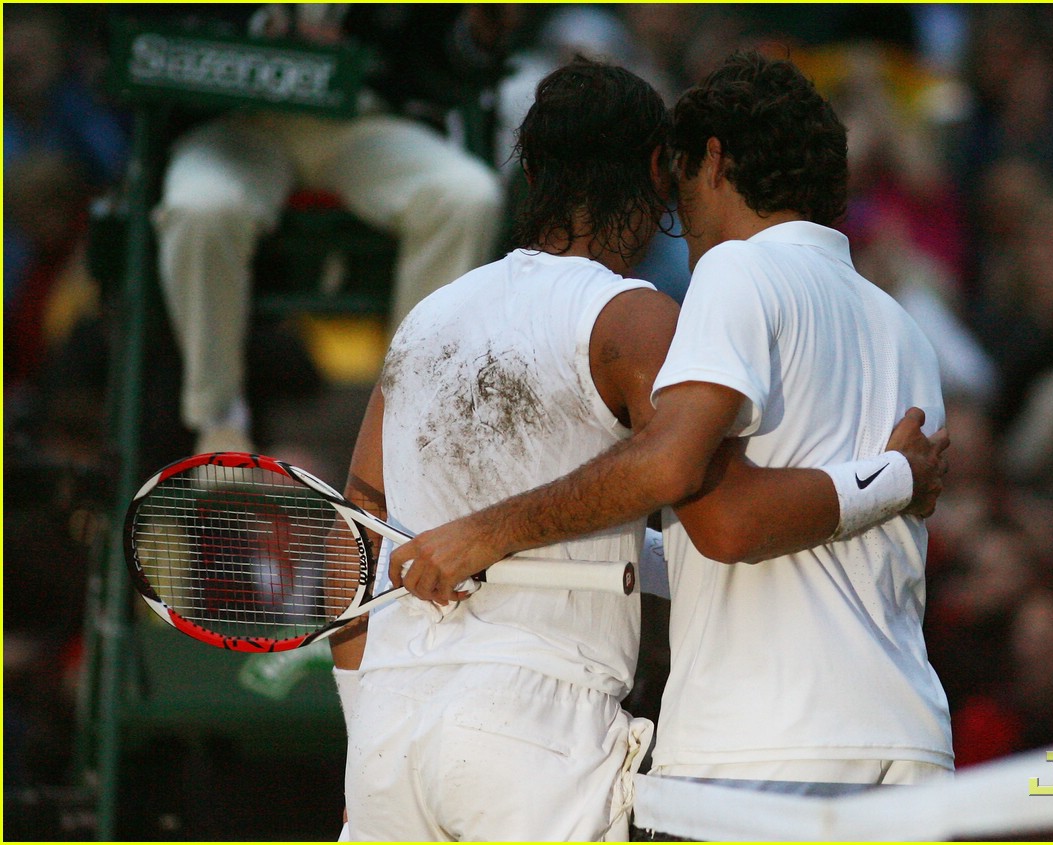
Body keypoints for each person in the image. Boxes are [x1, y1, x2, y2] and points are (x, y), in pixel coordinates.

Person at [332, 57, 947, 840]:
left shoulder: (423, 321)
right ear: (656, 170)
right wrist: (895, 478)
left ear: (532, 171)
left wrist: (364, 732)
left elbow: (353, 540)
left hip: (391, 725)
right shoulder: (654, 318)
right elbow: (705, 499)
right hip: (544, 733)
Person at [148, 4, 510, 453]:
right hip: (231, 120)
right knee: (200, 207)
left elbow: (442, 55)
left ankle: (405, 427)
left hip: (362, 118)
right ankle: (219, 424)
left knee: (466, 197)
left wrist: (478, 31)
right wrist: (263, 30)